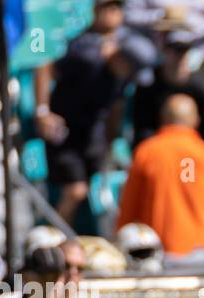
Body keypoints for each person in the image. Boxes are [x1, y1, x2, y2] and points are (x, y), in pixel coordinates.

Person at [40, 4, 156, 225]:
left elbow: (116, 108)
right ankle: (54, 241)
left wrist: (111, 141)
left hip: (92, 135)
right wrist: (43, 112)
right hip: (65, 133)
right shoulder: (85, 58)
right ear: (120, 59)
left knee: (104, 186)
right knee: (75, 191)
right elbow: (45, 67)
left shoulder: (122, 77)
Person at [116, 94, 204, 256]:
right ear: (195, 120)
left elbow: (129, 207)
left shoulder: (146, 152)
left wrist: (121, 246)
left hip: (159, 253)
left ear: (162, 118)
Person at [131, 35, 204, 147]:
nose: (179, 57)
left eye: (183, 51)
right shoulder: (148, 84)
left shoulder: (201, 86)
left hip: (191, 150)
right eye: (175, 51)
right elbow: (142, 129)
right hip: (157, 148)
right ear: (165, 51)